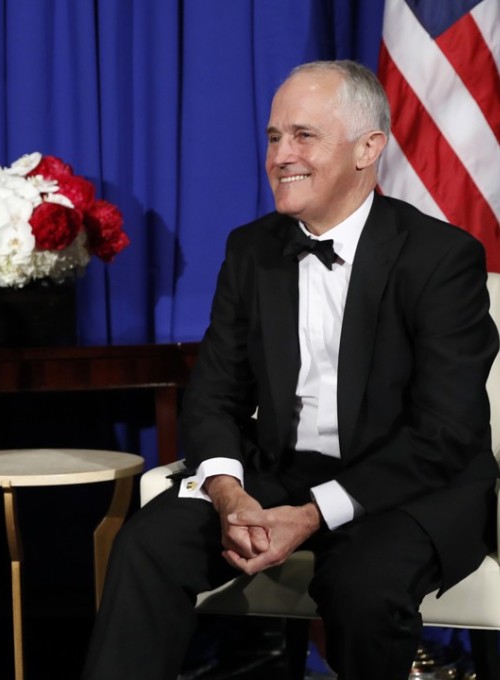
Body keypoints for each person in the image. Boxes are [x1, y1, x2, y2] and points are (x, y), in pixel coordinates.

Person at [83, 60, 499, 680]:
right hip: (281, 473)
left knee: (362, 586)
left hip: (406, 486)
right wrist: (229, 495)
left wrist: (310, 515)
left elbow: (445, 432)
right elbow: (213, 396)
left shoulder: (442, 259)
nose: (281, 156)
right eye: (275, 137)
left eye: (304, 136)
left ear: (368, 149)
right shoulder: (251, 250)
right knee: (149, 543)